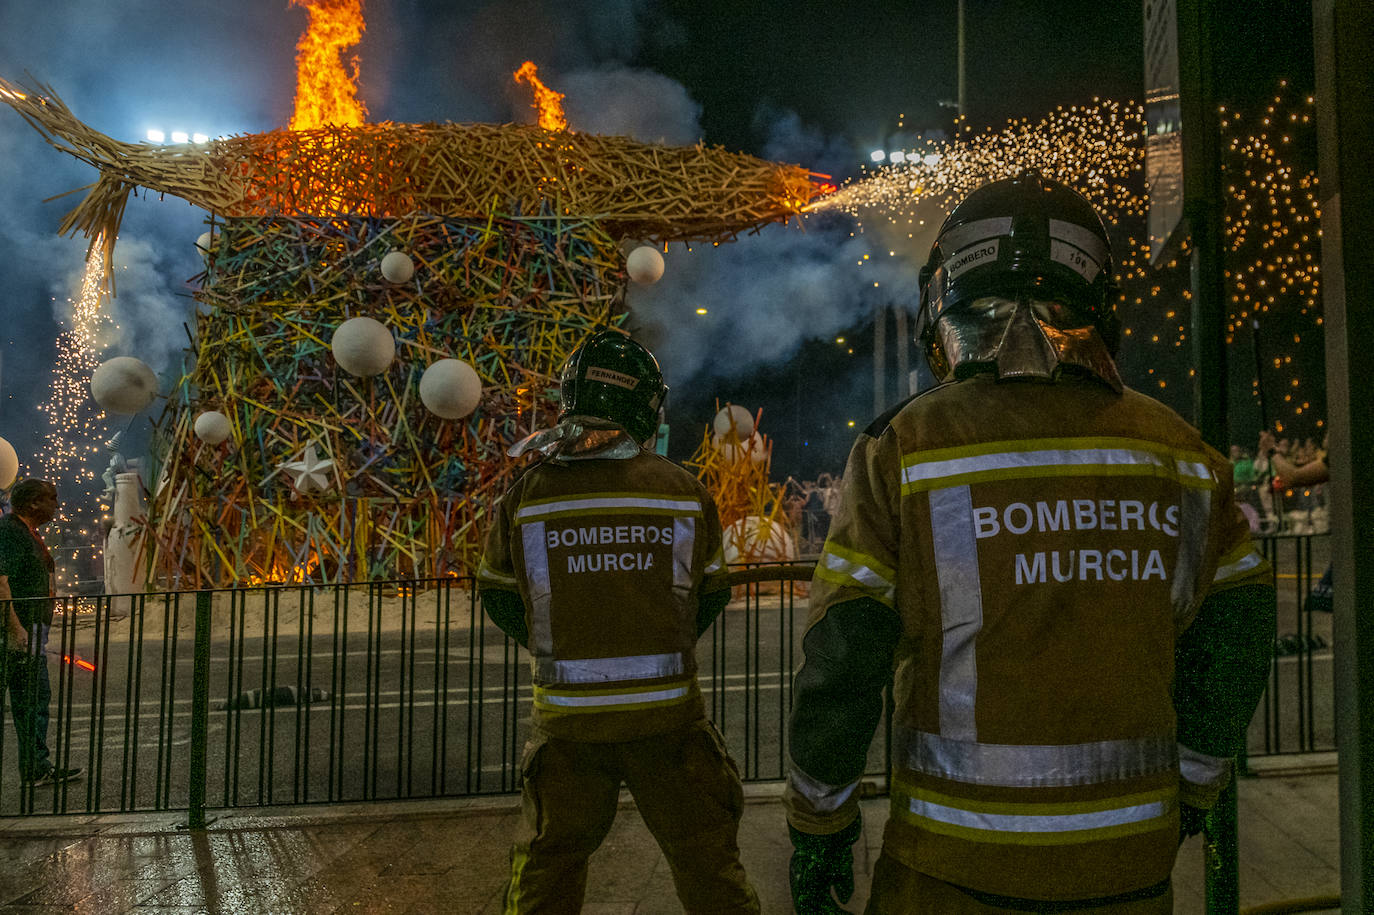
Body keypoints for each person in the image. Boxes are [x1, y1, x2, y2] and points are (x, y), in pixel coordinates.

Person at [784, 174, 1276, 914]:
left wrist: (820, 819)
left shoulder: (904, 448)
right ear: (1100, 299)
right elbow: (1238, 633)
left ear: (945, 294)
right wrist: (1196, 786)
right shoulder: (1178, 451)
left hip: (953, 863)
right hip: (1129, 864)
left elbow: (844, 653)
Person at [477, 330, 759, 914]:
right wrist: (658, 638)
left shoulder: (527, 494)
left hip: (569, 733)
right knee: (709, 867)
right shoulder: (684, 492)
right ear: (645, 405)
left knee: (546, 873)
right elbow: (709, 596)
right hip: (670, 727)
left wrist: (562, 640)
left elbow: (500, 596)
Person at [0, 479, 82, 786]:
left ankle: (36, 767)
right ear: (33, 503)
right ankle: (35, 766)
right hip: (15, 635)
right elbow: (1, 581)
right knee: (29, 700)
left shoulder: (26, 533)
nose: (56, 505)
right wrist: (15, 628)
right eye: (51, 499)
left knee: (34, 701)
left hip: (30, 632)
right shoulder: (11, 533)